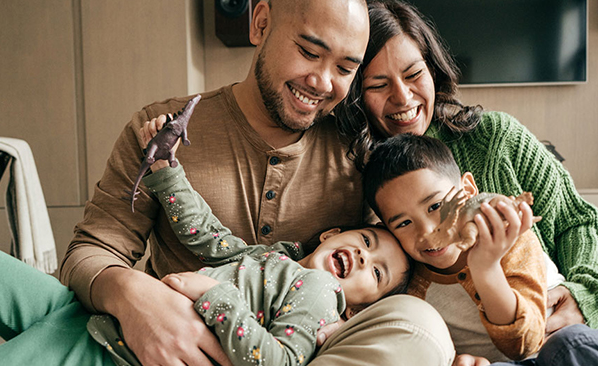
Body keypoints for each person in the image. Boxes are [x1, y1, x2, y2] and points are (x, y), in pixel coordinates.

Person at [335, 1, 598, 365]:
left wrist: (583, 297)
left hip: (559, 338)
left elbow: (580, 221)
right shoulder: (350, 170)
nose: (404, 97)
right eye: (379, 85)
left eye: (413, 74)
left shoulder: (495, 137)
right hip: (478, 353)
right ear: (355, 93)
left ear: (434, 70)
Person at [61, 0, 454, 365]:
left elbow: (398, 270)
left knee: (421, 320)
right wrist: (132, 298)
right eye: (309, 52)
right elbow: (92, 249)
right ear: (260, 23)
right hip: (147, 349)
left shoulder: (360, 157)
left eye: (345, 69)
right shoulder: (161, 129)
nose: (321, 82)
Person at [0, 157, 411, 366]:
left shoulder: (322, 297)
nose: (362, 257)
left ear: (361, 307)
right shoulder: (275, 258)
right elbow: (209, 236)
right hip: (97, 311)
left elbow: (276, 362)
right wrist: (166, 174)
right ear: (333, 233)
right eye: (366, 240)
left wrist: (215, 297)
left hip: (117, 355)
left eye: (377, 271)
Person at [362, 133, 598, 366]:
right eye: (404, 223)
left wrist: (486, 268)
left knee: (570, 342)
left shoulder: (511, 239)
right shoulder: (413, 285)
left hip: (558, 350)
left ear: (467, 189)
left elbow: (526, 343)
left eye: (436, 207)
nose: (427, 231)